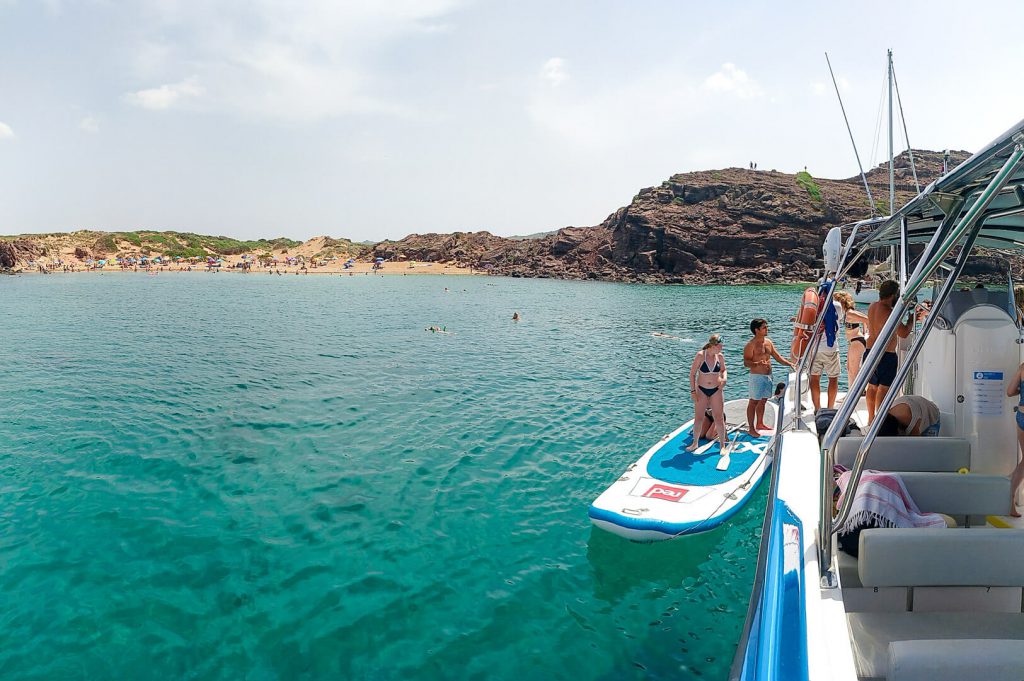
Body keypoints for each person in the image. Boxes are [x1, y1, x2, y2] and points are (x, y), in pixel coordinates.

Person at [865, 280, 914, 423]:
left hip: (870, 350)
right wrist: (911, 320)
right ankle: (880, 420)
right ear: (893, 295)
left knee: (872, 386)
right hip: (886, 354)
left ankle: (870, 418)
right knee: (883, 388)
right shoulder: (889, 312)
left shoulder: (872, 306)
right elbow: (904, 333)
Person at [743, 319, 795, 436]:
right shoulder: (750, 345)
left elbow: (777, 356)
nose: (767, 329)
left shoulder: (768, 342)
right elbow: (746, 363)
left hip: (768, 376)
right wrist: (757, 364)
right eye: (764, 327)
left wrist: (789, 364)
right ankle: (751, 428)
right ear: (757, 330)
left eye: (766, 327)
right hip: (756, 377)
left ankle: (760, 423)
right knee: (753, 402)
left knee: (763, 400)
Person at [687, 334, 728, 453]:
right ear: (713, 345)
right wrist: (693, 391)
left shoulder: (720, 356)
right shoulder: (701, 355)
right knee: (698, 418)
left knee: (719, 418)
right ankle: (695, 443)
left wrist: (724, 379)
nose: (721, 348)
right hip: (701, 390)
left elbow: (723, 370)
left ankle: (722, 446)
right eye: (720, 346)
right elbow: (692, 374)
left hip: (716, 390)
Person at [809, 285, 844, 411]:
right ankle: (830, 408)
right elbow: (838, 320)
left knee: (814, 378)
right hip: (831, 347)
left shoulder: (812, 306)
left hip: (814, 348)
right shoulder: (837, 305)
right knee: (833, 378)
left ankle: (817, 409)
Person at [834, 291, 869, 384]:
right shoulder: (846, 314)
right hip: (853, 341)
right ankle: (851, 392)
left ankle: (853, 393)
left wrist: (867, 334)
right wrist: (865, 331)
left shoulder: (850, 313)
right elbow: (865, 320)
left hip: (857, 341)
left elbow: (867, 319)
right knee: (849, 368)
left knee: (853, 370)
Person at [1006, 363, 1024, 517]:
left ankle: (1008, 496)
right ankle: (1007, 495)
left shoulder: (1022, 368)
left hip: (1022, 415)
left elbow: (1010, 391)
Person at [877, 395, 941, 437]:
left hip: (932, 417)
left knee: (926, 450)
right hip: (917, 405)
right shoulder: (885, 415)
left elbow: (915, 448)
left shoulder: (912, 423)